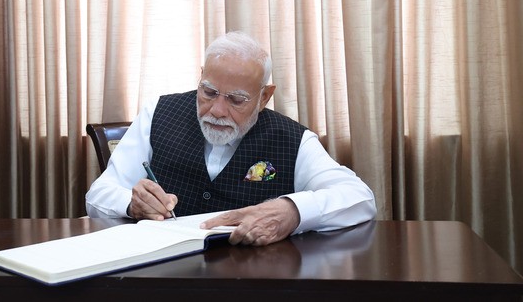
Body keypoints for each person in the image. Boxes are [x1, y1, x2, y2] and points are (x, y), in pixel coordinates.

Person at [85, 31, 376, 246]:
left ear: (264, 97)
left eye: (237, 99)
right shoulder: (158, 113)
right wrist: (131, 203)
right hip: (160, 275)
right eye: (209, 92)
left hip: (253, 280)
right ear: (201, 77)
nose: (217, 110)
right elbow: (99, 195)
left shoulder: (293, 139)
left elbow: (359, 198)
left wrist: (293, 211)